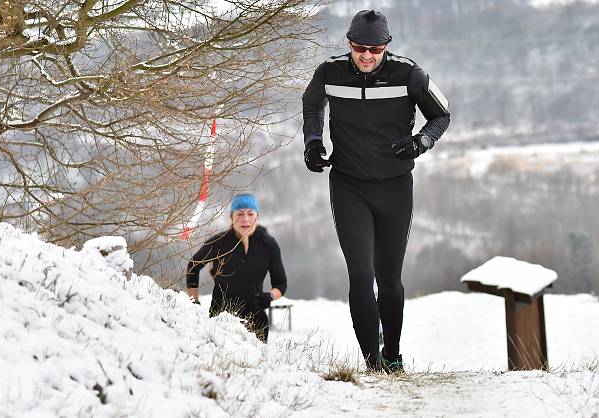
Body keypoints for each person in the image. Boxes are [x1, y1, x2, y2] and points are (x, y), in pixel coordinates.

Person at [301, 10, 450, 373]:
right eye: (359, 47)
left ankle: (393, 353)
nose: (367, 55)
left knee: (389, 278)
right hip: (349, 184)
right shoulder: (329, 72)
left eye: (375, 48)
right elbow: (311, 104)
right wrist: (313, 143)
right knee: (360, 276)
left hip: (395, 187)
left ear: (387, 46)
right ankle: (371, 362)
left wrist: (420, 142)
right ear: (349, 43)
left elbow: (442, 115)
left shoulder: (410, 74)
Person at [185, 193, 287, 343]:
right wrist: (194, 302)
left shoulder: (269, 245)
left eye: (250, 214)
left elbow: (280, 284)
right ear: (232, 217)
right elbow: (193, 266)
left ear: (256, 217)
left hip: (255, 322)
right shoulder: (218, 243)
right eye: (239, 214)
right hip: (220, 321)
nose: (245, 219)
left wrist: (270, 296)